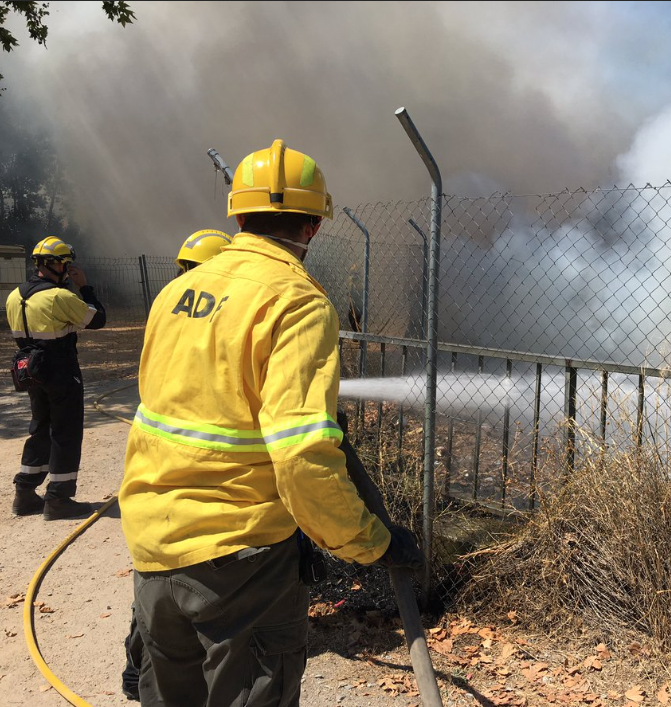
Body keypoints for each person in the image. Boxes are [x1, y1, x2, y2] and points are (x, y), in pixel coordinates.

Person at [119, 139, 424, 707]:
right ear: (313, 226)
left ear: (237, 216)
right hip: (243, 563)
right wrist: (372, 543)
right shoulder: (297, 303)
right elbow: (301, 455)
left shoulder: (176, 292)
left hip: (153, 544)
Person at [120, 227, 233, 702]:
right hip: (208, 498)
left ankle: (137, 667)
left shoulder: (169, 305)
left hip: (154, 486)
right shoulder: (231, 313)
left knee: (156, 602)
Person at [6, 236, 106, 520]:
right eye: (66, 264)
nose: (68, 268)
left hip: (31, 370)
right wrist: (84, 287)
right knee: (66, 432)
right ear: (57, 265)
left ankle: (25, 493)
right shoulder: (59, 297)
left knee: (40, 428)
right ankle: (59, 500)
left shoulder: (14, 296)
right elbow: (98, 319)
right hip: (61, 370)